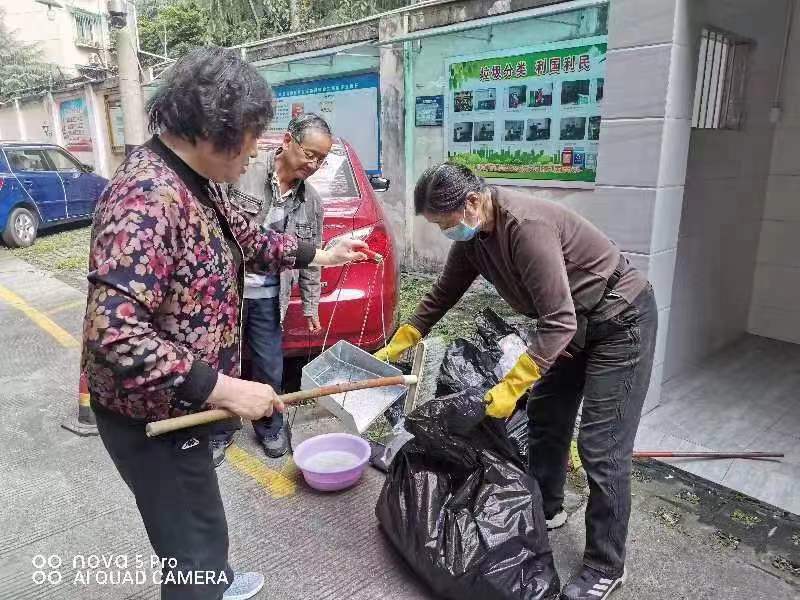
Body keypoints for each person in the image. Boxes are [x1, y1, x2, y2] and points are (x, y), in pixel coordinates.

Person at [81, 48, 367, 600]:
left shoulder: (198, 179)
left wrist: (320, 256)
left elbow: (253, 239)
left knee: (202, 527)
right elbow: (115, 335)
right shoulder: (147, 198)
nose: (259, 149)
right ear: (214, 130)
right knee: (194, 551)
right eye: (254, 135)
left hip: (187, 411)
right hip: (152, 417)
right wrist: (225, 389)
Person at [376, 163, 657, 600]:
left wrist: (510, 387)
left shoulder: (526, 227)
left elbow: (557, 320)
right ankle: (546, 506)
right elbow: (443, 293)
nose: (447, 233)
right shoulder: (475, 239)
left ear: (472, 202)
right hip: (572, 327)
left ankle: (606, 564)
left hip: (620, 321)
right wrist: (406, 337)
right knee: (546, 415)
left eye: (447, 225)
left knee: (602, 448)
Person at [210, 113, 331, 464]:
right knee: (222, 364)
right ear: (288, 141)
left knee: (269, 367)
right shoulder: (243, 171)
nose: (315, 164)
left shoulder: (312, 203)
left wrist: (311, 306)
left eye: (322, 159)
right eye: (310, 154)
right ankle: (220, 428)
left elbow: (311, 257)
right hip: (225, 292)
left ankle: (270, 425)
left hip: (267, 297)